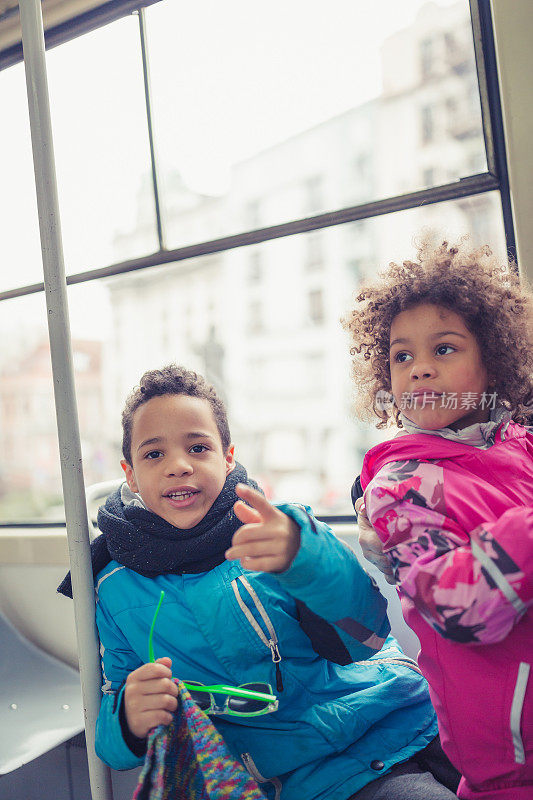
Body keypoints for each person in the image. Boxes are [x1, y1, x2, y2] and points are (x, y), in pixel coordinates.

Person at [59, 364, 460, 800]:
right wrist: (128, 721)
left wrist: (305, 557)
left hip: (390, 724)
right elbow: (114, 726)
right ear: (130, 474)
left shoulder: (278, 529)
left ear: (227, 457)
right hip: (291, 779)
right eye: (154, 454)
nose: (178, 466)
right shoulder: (115, 586)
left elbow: (364, 638)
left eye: (197, 447)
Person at [343, 238, 533, 800]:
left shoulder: (522, 448)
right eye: (402, 357)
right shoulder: (401, 490)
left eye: (444, 349)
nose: (420, 369)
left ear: (491, 361)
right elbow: (460, 609)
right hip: (511, 764)